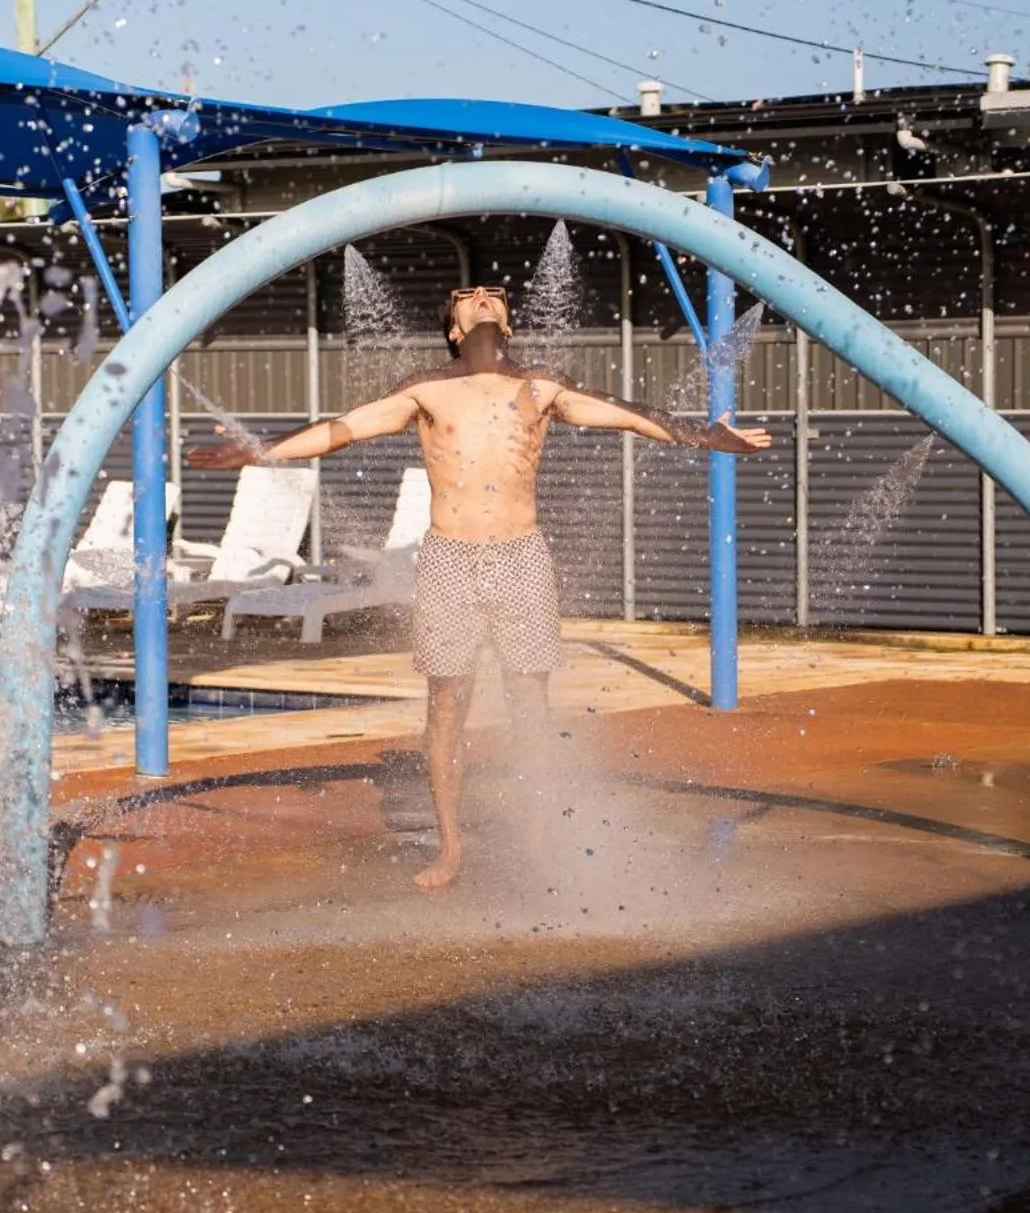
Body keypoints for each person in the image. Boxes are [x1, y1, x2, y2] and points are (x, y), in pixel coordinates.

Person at [187, 283, 772, 888]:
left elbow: (626, 415)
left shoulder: (541, 387)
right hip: (447, 558)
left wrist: (704, 437)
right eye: (468, 295)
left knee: (530, 705)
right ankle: (451, 848)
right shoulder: (426, 390)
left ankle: (542, 843)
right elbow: (344, 429)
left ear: (510, 325)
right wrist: (260, 453)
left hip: (521, 556)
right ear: (455, 330)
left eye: (496, 294)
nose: (485, 296)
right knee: (447, 706)